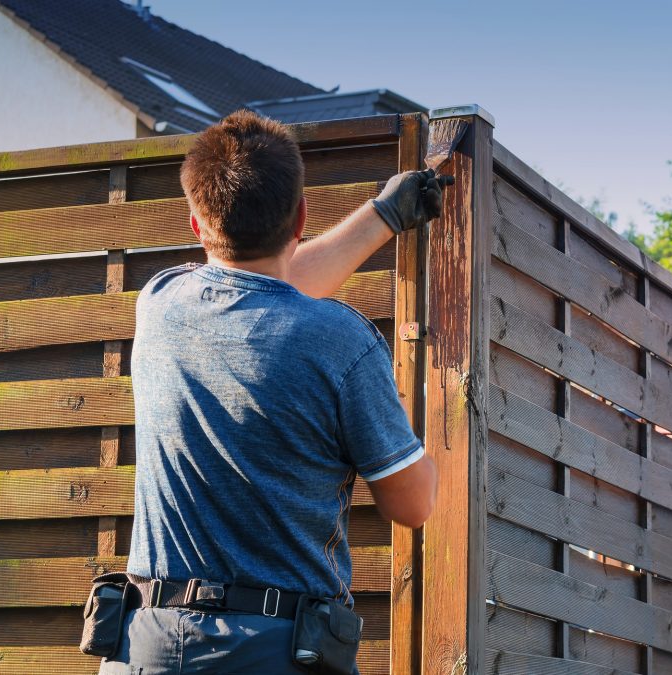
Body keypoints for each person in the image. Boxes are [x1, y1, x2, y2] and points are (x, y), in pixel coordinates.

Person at [97, 110, 441, 674]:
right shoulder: (341, 343)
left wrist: (382, 217)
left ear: (195, 224)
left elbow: (259, 291)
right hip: (276, 652)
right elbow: (414, 504)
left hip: (145, 647)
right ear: (301, 214)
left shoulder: (159, 304)